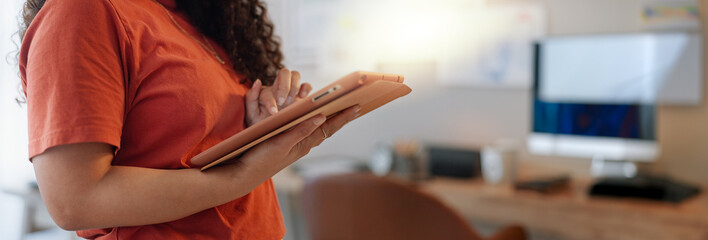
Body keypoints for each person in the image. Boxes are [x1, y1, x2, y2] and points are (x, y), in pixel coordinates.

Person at [18, 0, 360, 239]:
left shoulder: (198, 19)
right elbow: (74, 201)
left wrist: (255, 129)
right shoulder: (83, 10)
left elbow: (186, 144)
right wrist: (242, 174)